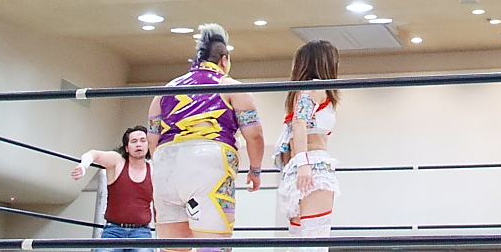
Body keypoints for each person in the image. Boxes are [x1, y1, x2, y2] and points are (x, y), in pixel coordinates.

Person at [146, 24, 265, 252]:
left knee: (172, 250)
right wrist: (255, 170)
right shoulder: (230, 86)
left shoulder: (165, 91)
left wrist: (164, 166)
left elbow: (153, 139)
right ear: (224, 60)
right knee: (213, 247)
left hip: (165, 166)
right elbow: (255, 135)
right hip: (209, 164)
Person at [273, 40, 341, 252]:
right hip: (313, 166)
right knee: (315, 240)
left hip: (299, 167)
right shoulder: (314, 88)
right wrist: (304, 164)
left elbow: (293, 130)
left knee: (301, 241)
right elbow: (299, 122)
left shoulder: (300, 92)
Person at [72, 126, 154, 252]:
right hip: (113, 230)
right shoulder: (117, 162)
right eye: (134, 141)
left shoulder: (154, 169)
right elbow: (94, 154)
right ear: (126, 148)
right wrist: (83, 166)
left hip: (141, 231)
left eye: (143, 140)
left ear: (148, 145)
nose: (138, 144)